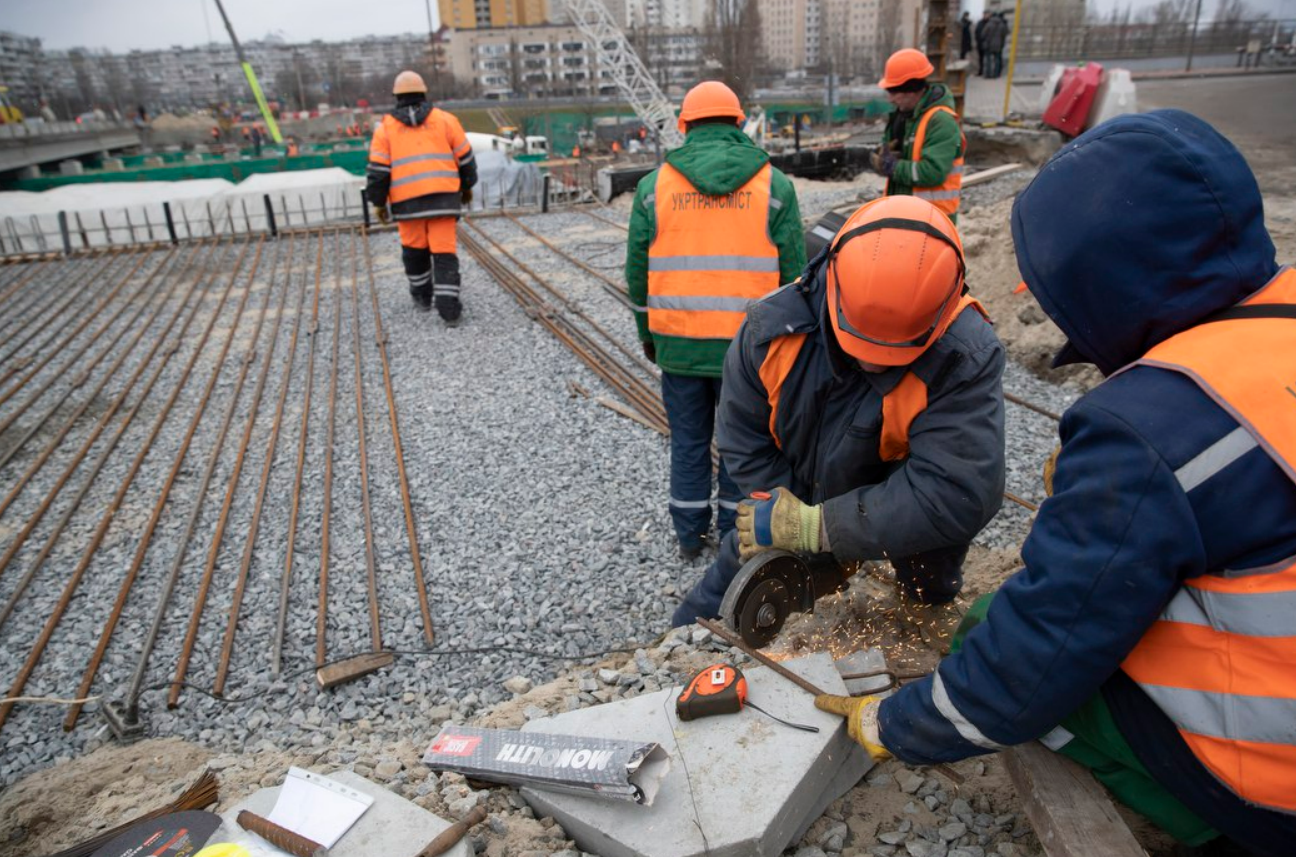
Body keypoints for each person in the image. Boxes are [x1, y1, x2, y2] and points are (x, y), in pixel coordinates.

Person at [813, 111, 1296, 857]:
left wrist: (896, 723)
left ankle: (1213, 826)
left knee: (1016, 655)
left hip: (1278, 789)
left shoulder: (1152, 426)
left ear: (1101, 291)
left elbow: (1039, 647)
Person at [671, 194, 1005, 625]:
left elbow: (957, 492)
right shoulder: (769, 332)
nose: (873, 361)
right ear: (832, 285)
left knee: (929, 577)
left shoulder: (964, 356)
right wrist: (784, 517)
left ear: (941, 314)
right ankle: (682, 639)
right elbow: (745, 439)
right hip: (795, 485)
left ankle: (925, 610)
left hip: (896, 489)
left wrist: (825, 528)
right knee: (729, 582)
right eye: (861, 343)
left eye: (892, 352)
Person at [626, 80, 805, 562]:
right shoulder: (775, 186)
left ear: (684, 126)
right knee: (741, 447)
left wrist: (649, 336)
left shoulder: (654, 187)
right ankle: (733, 535)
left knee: (687, 443)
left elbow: (637, 273)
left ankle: (688, 535)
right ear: (740, 123)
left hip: (680, 347)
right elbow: (795, 279)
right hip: (749, 354)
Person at [366, 70, 476, 322]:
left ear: (396, 97)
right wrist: (467, 186)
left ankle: (422, 297)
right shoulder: (446, 120)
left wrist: (379, 202)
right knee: (444, 253)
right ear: (424, 93)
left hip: (407, 206)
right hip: (444, 200)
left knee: (414, 252)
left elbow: (378, 172)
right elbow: (466, 159)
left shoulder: (385, 130)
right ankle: (449, 308)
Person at [872, 49, 967, 222]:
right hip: (905, 214)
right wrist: (885, 154)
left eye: (894, 92)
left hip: (933, 221)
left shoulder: (941, 121)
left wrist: (894, 166)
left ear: (911, 90)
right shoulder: (905, 117)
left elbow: (933, 172)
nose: (890, 99)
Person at [974, 11, 991, 76]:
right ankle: (980, 71)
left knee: (988, 59)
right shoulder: (980, 23)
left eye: (987, 15)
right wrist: (978, 40)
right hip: (980, 43)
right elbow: (976, 32)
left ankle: (987, 72)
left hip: (988, 44)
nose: (986, 16)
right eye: (985, 15)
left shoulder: (990, 23)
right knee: (980, 59)